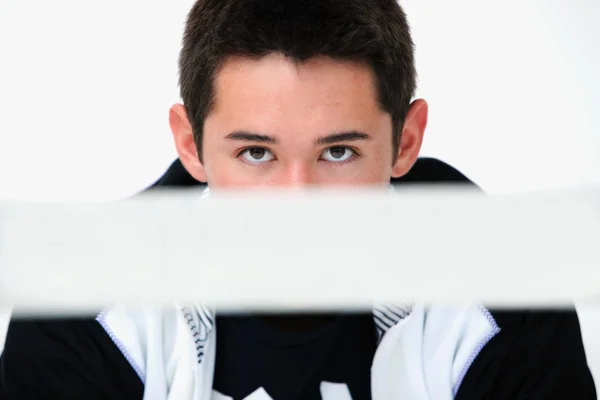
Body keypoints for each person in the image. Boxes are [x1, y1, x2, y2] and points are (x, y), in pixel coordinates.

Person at [0, 0, 596, 399]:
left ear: (405, 141)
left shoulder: (508, 297)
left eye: (338, 152)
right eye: (256, 153)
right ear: (191, 144)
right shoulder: (75, 309)